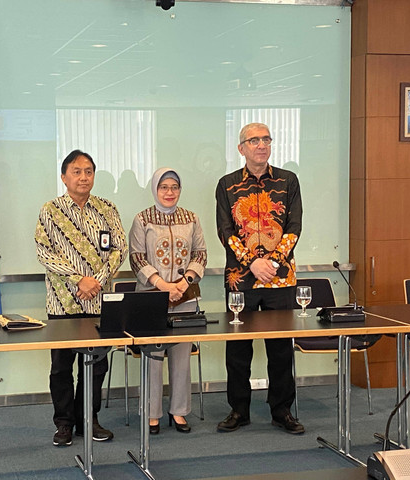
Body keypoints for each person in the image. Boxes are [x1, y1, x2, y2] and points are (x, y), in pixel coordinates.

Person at [215, 122, 304, 435]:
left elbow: (294, 226)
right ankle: (239, 410)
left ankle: (282, 411)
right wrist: (252, 263)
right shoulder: (226, 184)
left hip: (280, 281)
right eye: (254, 140)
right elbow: (225, 231)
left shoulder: (288, 180)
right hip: (242, 279)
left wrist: (273, 262)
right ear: (241, 148)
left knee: (280, 349)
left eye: (266, 138)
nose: (261, 144)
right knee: (238, 349)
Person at [35, 149, 128, 447]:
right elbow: (44, 252)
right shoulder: (50, 210)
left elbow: (119, 249)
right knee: (62, 367)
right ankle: (64, 423)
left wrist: (97, 282)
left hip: (99, 303)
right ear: (64, 177)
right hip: (63, 302)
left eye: (88, 171)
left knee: (97, 366)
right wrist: (79, 280)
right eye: (76, 171)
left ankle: (89, 419)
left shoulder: (107, 208)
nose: (83, 177)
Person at [129, 167, 207, 435]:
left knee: (181, 356)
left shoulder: (192, 218)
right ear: (155, 189)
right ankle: (151, 414)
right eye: (164, 187)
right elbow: (137, 257)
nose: (169, 192)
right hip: (151, 298)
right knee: (152, 357)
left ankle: (179, 412)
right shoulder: (142, 219)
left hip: (185, 298)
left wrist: (183, 283)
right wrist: (163, 286)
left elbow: (201, 254)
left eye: (174, 187)